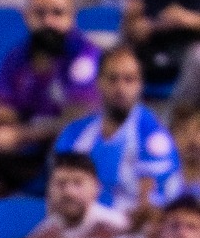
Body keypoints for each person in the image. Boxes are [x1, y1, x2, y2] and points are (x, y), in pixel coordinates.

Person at [0, 0, 100, 202]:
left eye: (57, 13)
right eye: (40, 14)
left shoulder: (85, 55)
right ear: (27, 17)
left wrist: (20, 135)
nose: (48, 21)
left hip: (72, 144)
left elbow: (76, 120)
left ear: (72, 18)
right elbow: (4, 110)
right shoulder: (17, 56)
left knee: (64, 143)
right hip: (30, 139)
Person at [52, 44, 177, 214]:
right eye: (112, 79)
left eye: (129, 79)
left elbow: (149, 209)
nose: (120, 88)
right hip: (80, 221)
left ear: (140, 84)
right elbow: (58, 192)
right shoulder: (74, 134)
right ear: (99, 82)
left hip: (129, 225)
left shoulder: (153, 137)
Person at [5, 148, 146, 238]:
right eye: (61, 184)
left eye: (78, 183)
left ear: (96, 187)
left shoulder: (119, 229)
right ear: (49, 189)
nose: (69, 192)